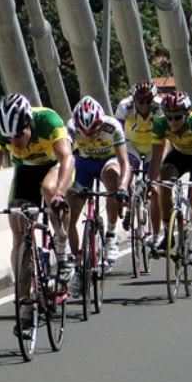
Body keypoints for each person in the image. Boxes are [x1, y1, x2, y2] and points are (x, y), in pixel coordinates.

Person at [0, 94, 75, 333]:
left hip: (54, 167)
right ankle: (25, 308)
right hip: (25, 172)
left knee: (48, 189)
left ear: (29, 125)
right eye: (8, 139)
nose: (14, 143)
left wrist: (59, 194)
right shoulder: (0, 131)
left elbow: (66, 158)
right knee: (20, 236)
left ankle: (62, 244)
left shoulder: (47, 120)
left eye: (18, 136)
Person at [148, 90, 192, 274]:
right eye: (169, 117)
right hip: (179, 154)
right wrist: (151, 182)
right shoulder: (160, 125)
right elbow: (157, 157)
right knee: (163, 182)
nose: (173, 122)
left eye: (177, 117)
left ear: (186, 114)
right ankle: (169, 233)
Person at [66, 96, 131, 279]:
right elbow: (64, 159)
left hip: (107, 161)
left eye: (94, 131)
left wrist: (123, 187)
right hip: (84, 163)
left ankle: (110, 235)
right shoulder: (70, 127)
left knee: (113, 179)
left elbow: (124, 162)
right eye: (84, 133)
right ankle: (77, 262)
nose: (89, 136)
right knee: (69, 213)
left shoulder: (112, 127)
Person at [114, 79, 164, 231]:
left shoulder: (160, 107)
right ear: (134, 99)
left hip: (152, 145)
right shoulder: (125, 106)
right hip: (132, 143)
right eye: (140, 101)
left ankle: (156, 235)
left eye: (148, 101)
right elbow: (118, 132)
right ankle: (129, 205)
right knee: (127, 168)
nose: (144, 105)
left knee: (155, 187)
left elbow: (165, 134)